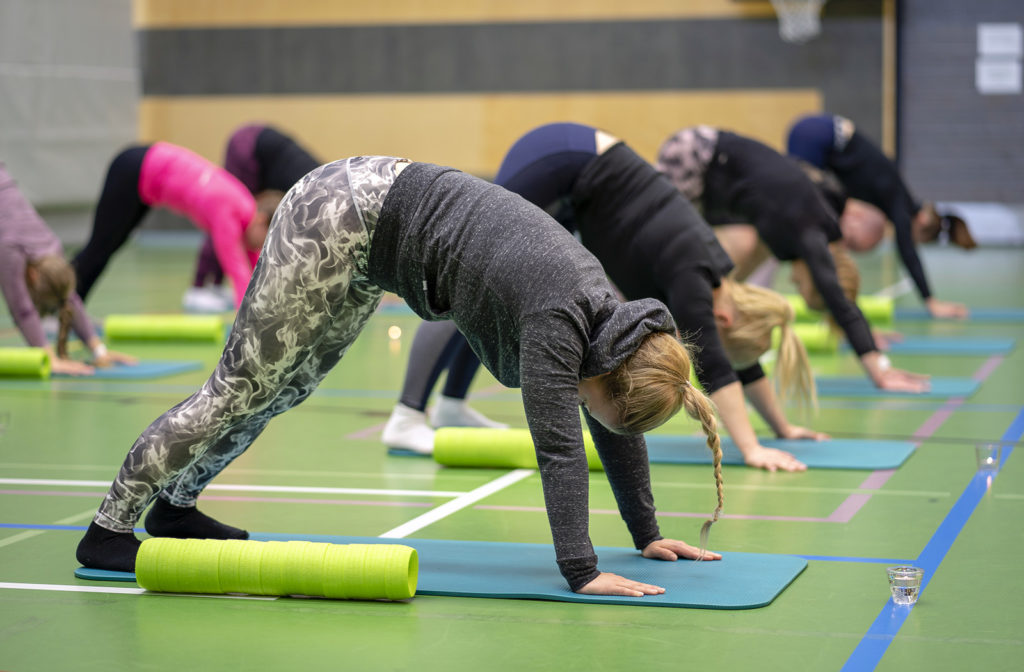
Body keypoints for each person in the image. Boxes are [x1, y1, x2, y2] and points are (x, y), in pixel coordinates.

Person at [76, 156, 726, 597]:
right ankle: (107, 529)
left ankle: (175, 508)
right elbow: (559, 448)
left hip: (375, 237)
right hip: (340, 214)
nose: (610, 428)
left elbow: (610, 426)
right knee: (242, 386)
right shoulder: (561, 322)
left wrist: (646, 534)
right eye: (611, 412)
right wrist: (582, 570)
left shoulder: (614, 335)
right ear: (607, 377)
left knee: (288, 388)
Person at [384, 122, 824, 470]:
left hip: (582, 179)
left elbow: (736, 366)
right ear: (727, 321)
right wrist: (751, 449)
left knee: (495, 295)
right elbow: (721, 366)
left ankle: (452, 405)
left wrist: (782, 428)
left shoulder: (718, 276)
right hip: (562, 158)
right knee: (470, 272)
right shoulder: (695, 276)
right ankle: (406, 415)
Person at [657, 126, 929, 393]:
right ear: (816, 277)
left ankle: (678, 310)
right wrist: (879, 368)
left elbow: (838, 300)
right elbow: (839, 301)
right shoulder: (810, 234)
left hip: (713, 176)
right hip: (699, 153)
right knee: (664, 246)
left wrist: (708, 301)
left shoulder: (799, 237)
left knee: (730, 256)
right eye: (801, 287)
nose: (792, 282)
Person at [786, 114, 975, 318]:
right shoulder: (900, 202)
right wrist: (931, 302)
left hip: (821, 131)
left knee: (809, 209)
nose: (906, 237)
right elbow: (908, 254)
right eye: (914, 237)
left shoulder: (894, 192)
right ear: (922, 221)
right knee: (801, 210)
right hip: (819, 134)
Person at [72, 142, 282, 310]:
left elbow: (255, 267)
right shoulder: (229, 211)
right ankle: (60, 305)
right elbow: (238, 271)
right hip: (135, 167)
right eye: (264, 241)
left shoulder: (246, 209)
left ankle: (71, 308)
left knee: (108, 247)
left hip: (146, 179)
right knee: (99, 249)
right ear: (261, 221)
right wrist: (250, 326)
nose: (259, 248)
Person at [0, 162, 136, 375]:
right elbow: (21, 308)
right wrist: (49, 357)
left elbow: (68, 298)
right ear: (34, 277)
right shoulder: (10, 248)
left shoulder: (51, 247)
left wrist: (98, 350)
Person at [185, 124, 321, 312]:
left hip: (263, 157)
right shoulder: (321, 195)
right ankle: (200, 286)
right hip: (247, 149)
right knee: (227, 222)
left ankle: (215, 285)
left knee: (239, 230)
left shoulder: (323, 191)